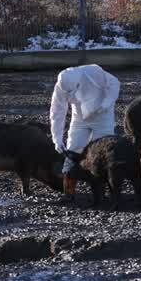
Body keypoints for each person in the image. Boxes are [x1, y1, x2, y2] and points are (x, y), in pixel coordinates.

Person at [49, 64, 121, 199]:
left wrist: (106, 103)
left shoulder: (93, 72)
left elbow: (114, 84)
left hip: (102, 115)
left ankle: (103, 191)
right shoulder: (61, 86)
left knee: (102, 151)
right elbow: (57, 111)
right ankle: (69, 191)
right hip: (79, 117)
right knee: (73, 148)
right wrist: (57, 138)